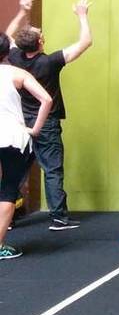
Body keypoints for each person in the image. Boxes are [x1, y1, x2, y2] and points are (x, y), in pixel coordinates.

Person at [5, 0, 93, 230]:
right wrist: (82, 16)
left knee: (16, 171)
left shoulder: (15, 57)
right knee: (52, 169)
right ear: (41, 42)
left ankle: (7, 217)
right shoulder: (50, 62)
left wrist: (22, 11)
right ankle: (59, 217)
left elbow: (8, 36)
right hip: (46, 123)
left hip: (22, 122)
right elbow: (85, 42)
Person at [0, 34, 54, 260]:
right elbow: (47, 100)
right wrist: (36, 129)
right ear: (7, 52)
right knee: (8, 190)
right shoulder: (18, 74)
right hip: (13, 137)